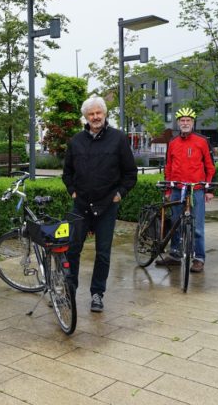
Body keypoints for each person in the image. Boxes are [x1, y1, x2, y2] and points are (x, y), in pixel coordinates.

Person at [62, 96, 137, 313]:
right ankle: (69, 290)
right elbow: (67, 173)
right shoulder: (75, 141)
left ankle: (97, 293)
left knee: (103, 252)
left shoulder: (118, 139)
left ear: (104, 114)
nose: (95, 117)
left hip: (107, 205)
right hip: (81, 205)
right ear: (85, 117)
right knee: (72, 250)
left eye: (99, 113)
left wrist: (120, 194)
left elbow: (130, 173)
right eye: (91, 114)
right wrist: (73, 192)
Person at [156, 107, 215, 273]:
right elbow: (168, 167)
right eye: (182, 121)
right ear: (178, 123)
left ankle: (198, 258)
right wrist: (168, 189)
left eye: (188, 120)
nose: (185, 123)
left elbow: (210, 167)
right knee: (175, 223)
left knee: (197, 227)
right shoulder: (173, 143)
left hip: (196, 189)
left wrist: (209, 190)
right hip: (177, 188)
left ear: (193, 123)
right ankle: (175, 255)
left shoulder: (202, 141)